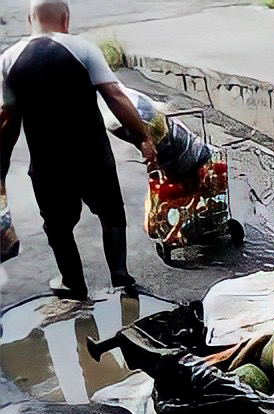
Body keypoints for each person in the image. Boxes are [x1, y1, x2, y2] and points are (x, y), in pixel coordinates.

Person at [0, 0, 157, 301]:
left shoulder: (8, 59)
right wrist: (143, 137)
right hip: (93, 156)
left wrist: (1, 169)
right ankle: (120, 277)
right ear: (66, 19)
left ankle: (73, 281)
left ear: (28, 19)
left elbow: (8, 119)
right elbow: (114, 95)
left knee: (58, 226)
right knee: (111, 215)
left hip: (48, 163)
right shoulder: (83, 49)